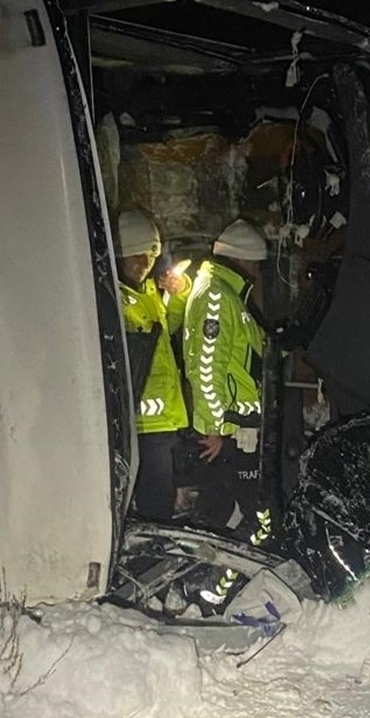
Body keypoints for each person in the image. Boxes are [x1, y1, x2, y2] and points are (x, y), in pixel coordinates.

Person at [182, 218, 271, 543]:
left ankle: (201, 583)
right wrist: (215, 428)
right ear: (244, 259)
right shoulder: (218, 298)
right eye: (257, 265)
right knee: (254, 515)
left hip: (237, 428)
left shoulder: (226, 295)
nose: (257, 273)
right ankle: (209, 582)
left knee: (219, 513)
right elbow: (207, 368)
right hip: (229, 432)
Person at [114, 210, 191, 521]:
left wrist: (180, 293)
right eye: (137, 256)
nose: (143, 265)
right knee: (151, 508)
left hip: (162, 424)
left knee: (159, 503)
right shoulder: (114, 298)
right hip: (141, 428)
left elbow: (169, 325)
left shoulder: (147, 292)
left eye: (149, 256)